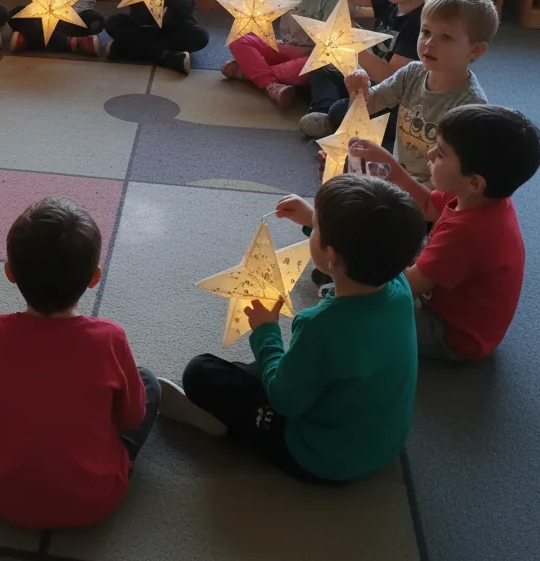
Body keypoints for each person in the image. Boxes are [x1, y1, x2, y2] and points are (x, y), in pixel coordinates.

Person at [159, 175, 425, 483]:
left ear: (332, 254)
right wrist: (314, 220)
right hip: (383, 441)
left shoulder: (321, 326)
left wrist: (266, 331)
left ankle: (217, 423)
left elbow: (285, 400)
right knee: (278, 369)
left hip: (320, 457)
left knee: (201, 372)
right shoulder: (399, 284)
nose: (314, 226)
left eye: (318, 226)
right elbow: (365, 245)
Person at [0, 196, 159, 528]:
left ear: (10, 273)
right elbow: (131, 417)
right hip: (96, 498)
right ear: (94, 277)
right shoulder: (110, 337)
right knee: (147, 383)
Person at [351, 104, 540, 361]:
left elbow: (408, 288)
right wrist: (391, 166)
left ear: (475, 181)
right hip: (446, 290)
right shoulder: (477, 197)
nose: (429, 155)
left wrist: (352, 285)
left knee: (361, 321)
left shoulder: (468, 234)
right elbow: (428, 205)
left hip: (454, 334)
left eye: (440, 154)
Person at [300, 0, 445, 140]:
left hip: (390, 96)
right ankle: (324, 113)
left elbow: (389, 77)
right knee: (323, 70)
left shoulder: (420, 24)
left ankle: (334, 117)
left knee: (344, 110)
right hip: (367, 78)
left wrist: (354, 46)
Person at [345, 0, 496, 183]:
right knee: (345, 174)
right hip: (399, 172)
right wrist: (359, 89)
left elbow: (460, 172)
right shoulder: (413, 73)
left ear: (475, 51)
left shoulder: (470, 106)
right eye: (425, 31)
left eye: (446, 37)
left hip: (435, 188)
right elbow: (371, 105)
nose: (429, 43)